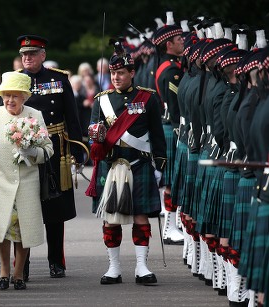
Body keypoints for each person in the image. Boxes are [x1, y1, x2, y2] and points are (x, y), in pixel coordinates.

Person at [87, 43, 167, 285]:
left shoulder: (148, 99)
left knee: (141, 216)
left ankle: (142, 267)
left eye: (121, 73)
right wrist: (96, 134)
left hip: (139, 163)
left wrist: (160, 167)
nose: (116, 77)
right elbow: (92, 135)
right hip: (111, 165)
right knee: (111, 218)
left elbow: (157, 135)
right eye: (113, 73)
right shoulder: (101, 101)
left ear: (131, 73)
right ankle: (114, 268)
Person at [16, 34, 84, 279]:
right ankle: (21, 266)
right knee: (24, 210)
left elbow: (72, 117)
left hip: (55, 149)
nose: (27, 58)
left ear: (42, 56)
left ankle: (56, 261)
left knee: (55, 209)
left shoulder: (58, 79)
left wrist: (78, 150)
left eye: (32, 54)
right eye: (24, 54)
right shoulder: (15, 80)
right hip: (23, 150)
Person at [0, 71, 53, 290]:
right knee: (3, 229)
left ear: (24, 97)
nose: (10, 100)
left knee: (23, 230)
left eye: (15, 95)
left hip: (27, 183)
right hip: (0, 182)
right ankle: (4, 271)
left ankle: (18, 274)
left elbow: (48, 149)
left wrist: (32, 152)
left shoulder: (35, 115)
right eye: (6, 95)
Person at [152, 23, 185, 244]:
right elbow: (175, 107)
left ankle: (171, 225)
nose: (183, 41)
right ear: (168, 44)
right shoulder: (171, 70)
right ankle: (170, 227)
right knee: (172, 179)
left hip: (168, 127)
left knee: (172, 179)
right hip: (172, 127)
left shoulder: (169, 65)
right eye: (179, 39)